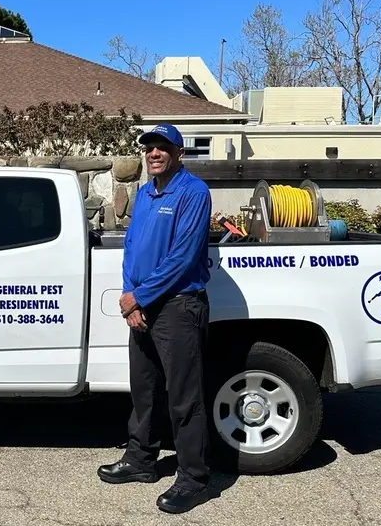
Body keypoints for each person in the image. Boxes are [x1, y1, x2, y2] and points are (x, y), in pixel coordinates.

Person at [97, 124, 214, 515]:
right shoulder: (145, 194)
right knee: (143, 389)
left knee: (184, 397)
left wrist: (139, 296)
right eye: (149, 147)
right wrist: (132, 298)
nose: (154, 153)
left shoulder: (193, 193)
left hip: (179, 306)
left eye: (164, 147)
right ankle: (141, 460)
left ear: (179, 153)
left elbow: (182, 258)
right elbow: (132, 250)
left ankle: (194, 479)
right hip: (143, 306)